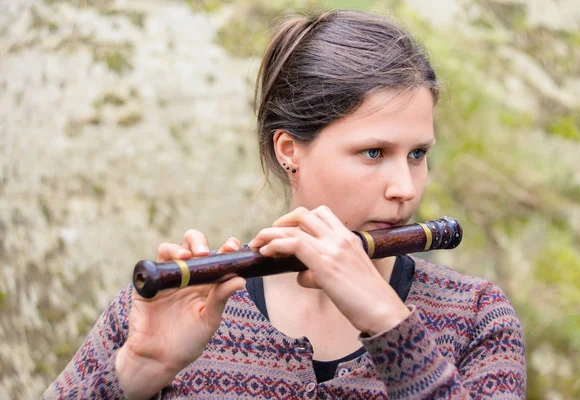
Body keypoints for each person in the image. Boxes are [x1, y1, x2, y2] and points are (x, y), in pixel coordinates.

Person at [43, 9, 526, 399]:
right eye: (374, 152)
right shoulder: (164, 307)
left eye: (418, 154)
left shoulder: (476, 316)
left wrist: (389, 323)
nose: (405, 187)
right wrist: (135, 372)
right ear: (289, 150)